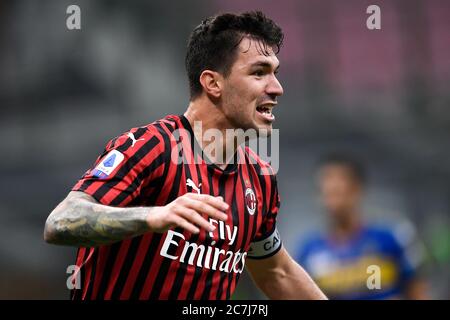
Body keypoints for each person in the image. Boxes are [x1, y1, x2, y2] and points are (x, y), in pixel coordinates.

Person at [44, 11, 326, 300]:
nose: (277, 88)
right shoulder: (152, 147)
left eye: (275, 73)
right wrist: (154, 215)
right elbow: (61, 221)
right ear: (212, 83)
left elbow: (277, 273)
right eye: (259, 73)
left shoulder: (260, 179)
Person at [295, 153, 428, 299]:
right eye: (326, 193)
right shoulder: (308, 250)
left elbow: (417, 291)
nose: (331, 201)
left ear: (356, 190)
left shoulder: (392, 238)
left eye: (338, 192)